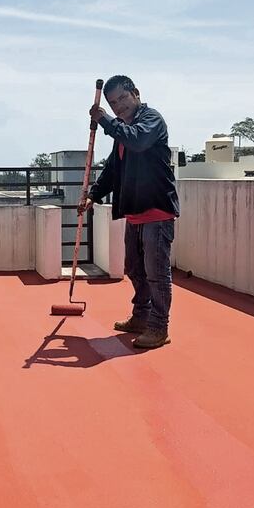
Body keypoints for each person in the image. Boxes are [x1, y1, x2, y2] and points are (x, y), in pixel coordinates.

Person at [79, 75, 179, 349]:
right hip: (135, 212)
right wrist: (93, 196)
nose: (119, 106)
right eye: (112, 103)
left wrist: (104, 121)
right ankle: (141, 317)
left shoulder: (151, 120)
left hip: (157, 211)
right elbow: (114, 169)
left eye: (123, 98)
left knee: (156, 273)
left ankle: (159, 328)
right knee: (134, 269)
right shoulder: (122, 129)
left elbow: (138, 141)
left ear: (135, 93)